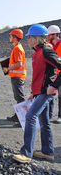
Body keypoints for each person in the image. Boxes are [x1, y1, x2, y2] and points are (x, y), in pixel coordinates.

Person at [13, 24, 61, 163]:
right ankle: (48, 152)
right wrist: (34, 93)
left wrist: (54, 86)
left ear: (37, 38)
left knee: (30, 116)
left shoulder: (46, 51)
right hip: (40, 92)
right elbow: (40, 76)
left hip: (47, 92)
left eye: (29, 38)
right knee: (44, 121)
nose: (27, 40)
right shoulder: (36, 53)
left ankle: (26, 153)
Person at [3, 29, 26, 125]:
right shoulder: (17, 47)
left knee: (20, 98)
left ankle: (23, 119)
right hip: (17, 76)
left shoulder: (17, 48)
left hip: (17, 77)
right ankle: (18, 116)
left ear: (15, 38)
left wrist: (8, 69)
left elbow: (19, 64)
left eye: (11, 36)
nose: (9, 38)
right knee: (18, 97)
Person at [46, 25, 61, 122]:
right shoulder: (47, 44)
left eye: (49, 35)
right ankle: (49, 114)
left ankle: (60, 116)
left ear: (55, 34)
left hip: (60, 73)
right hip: (51, 73)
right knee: (50, 94)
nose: (47, 37)